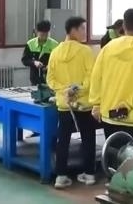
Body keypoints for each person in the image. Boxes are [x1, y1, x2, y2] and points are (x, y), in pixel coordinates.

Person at [89, 8, 133, 148]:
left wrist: (96, 104)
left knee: (112, 155)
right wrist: (128, 104)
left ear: (124, 26)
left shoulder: (108, 48)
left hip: (109, 114)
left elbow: (96, 77)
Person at [47, 17, 98, 189]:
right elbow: (91, 77)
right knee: (88, 139)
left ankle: (60, 176)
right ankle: (89, 174)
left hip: (65, 104)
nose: (85, 32)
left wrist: (65, 91)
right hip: (83, 104)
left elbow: (50, 79)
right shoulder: (86, 51)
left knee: (63, 140)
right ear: (73, 30)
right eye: (83, 28)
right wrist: (78, 90)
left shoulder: (55, 52)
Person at [21, 20, 58, 86]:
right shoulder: (30, 44)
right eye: (42, 34)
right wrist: (34, 62)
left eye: (46, 34)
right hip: (34, 81)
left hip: (50, 81)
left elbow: (58, 62)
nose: (44, 36)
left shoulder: (54, 44)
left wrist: (49, 67)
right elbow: (24, 60)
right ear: (37, 31)